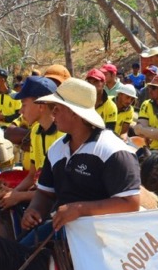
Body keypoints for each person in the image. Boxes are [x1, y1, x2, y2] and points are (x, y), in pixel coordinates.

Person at [19, 78, 141, 248]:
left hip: (106, 237)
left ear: (74, 112)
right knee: (19, 255)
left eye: (57, 108)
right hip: (66, 229)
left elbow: (131, 203)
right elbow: (46, 193)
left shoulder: (113, 150)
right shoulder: (56, 149)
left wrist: (79, 209)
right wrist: (34, 210)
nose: (53, 113)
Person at [0, 77, 65, 210]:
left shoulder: (63, 136)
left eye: (24, 104)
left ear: (41, 105)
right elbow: (32, 175)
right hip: (40, 194)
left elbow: (58, 190)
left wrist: (19, 196)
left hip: (57, 204)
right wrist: (14, 192)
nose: (20, 111)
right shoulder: (35, 131)